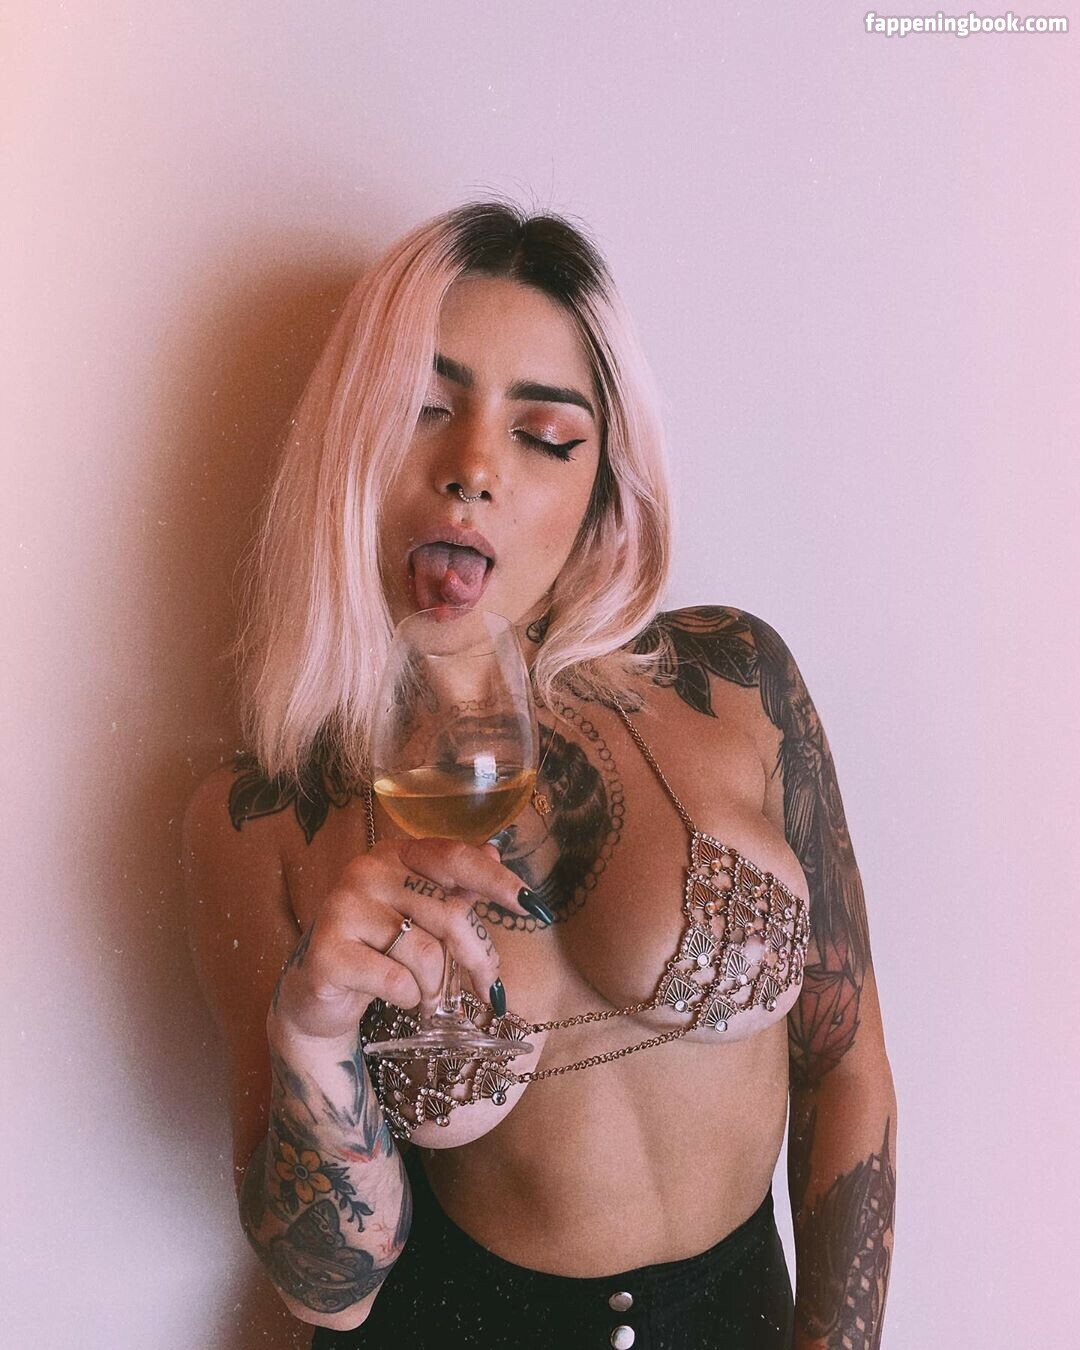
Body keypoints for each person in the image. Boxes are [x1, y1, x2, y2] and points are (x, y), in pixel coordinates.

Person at [181, 198, 897, 1350]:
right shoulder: (262, 813)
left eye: (545, 434)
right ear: (351, 445)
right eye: (425, 410)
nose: (472, 471)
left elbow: (845, 1059)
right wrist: (312, 1032)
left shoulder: (736, 683)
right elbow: (330, 1288)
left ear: (603, 481)